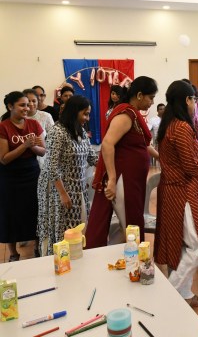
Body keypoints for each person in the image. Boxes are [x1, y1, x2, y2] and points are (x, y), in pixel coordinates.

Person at [154, 80, 198, 307]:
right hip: (183, 194)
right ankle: (168, 296)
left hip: (172, 191)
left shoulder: (169, 124)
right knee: (197, 247)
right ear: (187, 100)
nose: (195, 104)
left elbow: (185, 157)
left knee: (183, 246)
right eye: (194, 99)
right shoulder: (181, 127)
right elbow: (191, 168)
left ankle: (186, 295)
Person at [86, 76, 158, 247]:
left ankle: (121, 258)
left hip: (132, 179)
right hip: (122, 179)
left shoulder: (133, 114)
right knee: (131, 226)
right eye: (151, 97)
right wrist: (111, 179)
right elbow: (107, 144)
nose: (152, 102)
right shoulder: (126, 114)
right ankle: (131, 259)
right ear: (139, 95)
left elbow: (143, 144)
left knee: (129, 226)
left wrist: (161, 157)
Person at [36, 95, 97, 256]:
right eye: (85, 114)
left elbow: (92, 156)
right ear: (74, 112)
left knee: (78, 226)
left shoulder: (80, 131)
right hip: (58, 188)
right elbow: (52, 166)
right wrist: (63, 193)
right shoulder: (58, 131)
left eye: (89, 114)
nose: (87, 118)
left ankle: (76, 258)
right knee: (62, 227)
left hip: (77, 187)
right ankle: (59, 260)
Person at [0, 91, 45, 261]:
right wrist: (25, 145)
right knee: (11, 214)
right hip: (10, 177)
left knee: (35, 210)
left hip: (32, 173)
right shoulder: (3, 127)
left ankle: (38, 247)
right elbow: (4, 159)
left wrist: (32, 147)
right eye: (22, 105)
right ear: (10, 106)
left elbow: (42, 151)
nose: (27, 108)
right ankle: (13, 253)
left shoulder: (34, 124)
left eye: (28, 105)